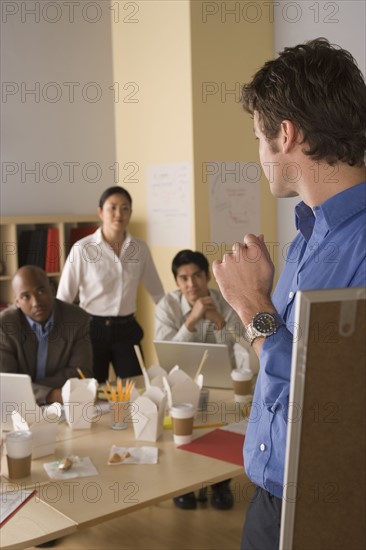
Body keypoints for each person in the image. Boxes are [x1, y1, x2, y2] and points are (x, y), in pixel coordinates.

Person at [212, 38, 366, 549]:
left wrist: (251, 306)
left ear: (286, 134)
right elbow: (289, 366)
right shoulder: (304, 241)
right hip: (271, 498)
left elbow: (334, 398)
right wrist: (261, 304)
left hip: (335, 508)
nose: (258, 154)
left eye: (259, 137)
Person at [155, 249, 248, 511]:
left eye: (196, 276)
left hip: (220, 383)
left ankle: (221, 484)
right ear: (176, 282)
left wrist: (218, 321)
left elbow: (238, 351)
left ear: (207, 276)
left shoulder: (225, 302)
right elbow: (167, 357)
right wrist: (192, 321)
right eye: (183, 278)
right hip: (179, 381)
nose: (191, 284)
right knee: (182, 426)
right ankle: (183, 485)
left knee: (227, 419)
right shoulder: (167, 306)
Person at [57, 186, 164, 383]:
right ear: (100, 212)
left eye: (125, 208)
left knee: (137, 389)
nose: (118, 214)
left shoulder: (140, 249)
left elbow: (158, 294)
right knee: (93, 391)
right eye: (112, 208)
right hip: (91, 329)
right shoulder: (83, 249)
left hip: (127, 329)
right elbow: (63, 298)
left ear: (130, 213)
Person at [0, 265, 93, 404]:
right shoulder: (4, 325)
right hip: (16, 408)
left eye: (41, 291)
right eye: (26, 296)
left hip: (64, 407)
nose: (36, 302)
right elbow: (6, 384)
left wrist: (31, 388)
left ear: (52, 289)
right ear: (17, 301)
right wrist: (51, 395)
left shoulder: (77, 319)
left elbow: (81, 372)